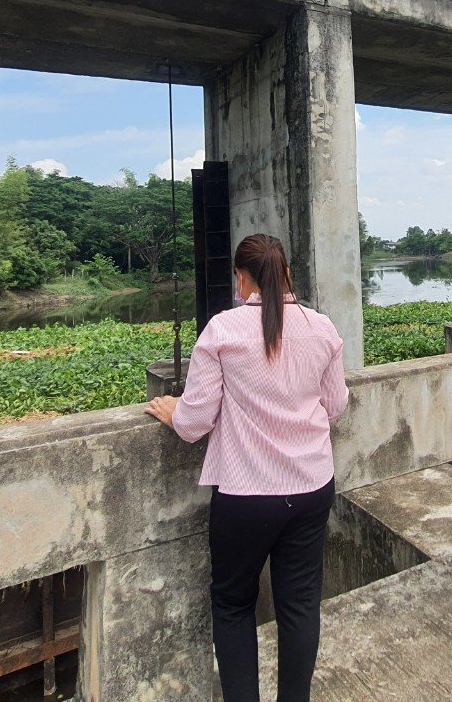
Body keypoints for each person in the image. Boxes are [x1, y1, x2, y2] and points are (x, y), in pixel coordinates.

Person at [145, 234, 348, 702]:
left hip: (246, 495)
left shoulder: (223, 330)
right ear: (287, 274)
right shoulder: (322, 328)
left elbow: (195, 422)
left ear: (242, 278)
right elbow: (335, 404)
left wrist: (172, 410)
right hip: (312, 487)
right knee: (299, 605)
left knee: (234, 605)